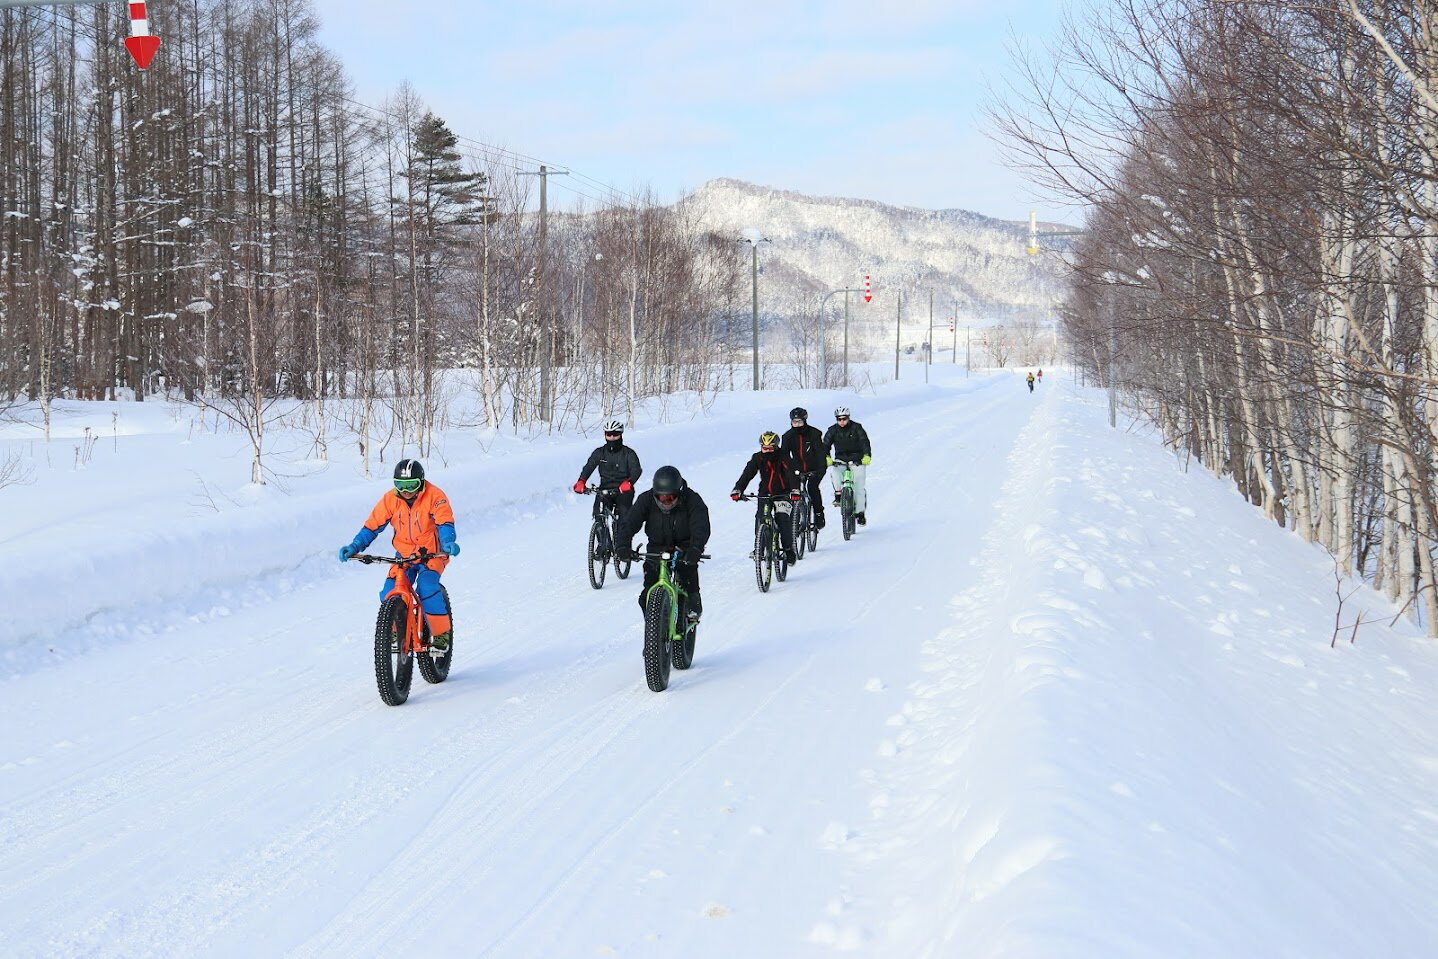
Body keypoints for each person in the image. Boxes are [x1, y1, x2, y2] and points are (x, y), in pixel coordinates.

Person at [339, 459, 459, 650]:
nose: (407, 491)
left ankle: (441, 635)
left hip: (432, 554)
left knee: (427, 588)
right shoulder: (390, 499)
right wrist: (355, 546)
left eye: (412, 485)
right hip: (404, 555)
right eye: (401, 486)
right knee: (389, 592)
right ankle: (396, 630)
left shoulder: (435, 495)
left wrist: (448, 542)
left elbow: (444, 522)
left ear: (421, 482)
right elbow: (372, 526)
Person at [615, 465, 711, 623]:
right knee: (646, 596)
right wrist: (622, 546)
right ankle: (656, 633)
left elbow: (701, 525)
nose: (666, 502)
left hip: (685, 547)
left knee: (688, 575)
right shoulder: (645, 500)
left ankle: (693, 604)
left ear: (679, 492)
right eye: (661, 498)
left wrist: (696, 548)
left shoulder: (692, 499)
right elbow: (629, 523)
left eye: (671, 498)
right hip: (657, 548)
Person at [731, 431, 800, 566]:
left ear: (776, 447)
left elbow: (791, 474)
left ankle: (788, 549)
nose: (767, 451)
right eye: (764, 448)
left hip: (783, 493)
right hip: (764, 493)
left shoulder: (783, 456)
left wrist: (794, 490)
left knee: (782, 518)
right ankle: (760, 548)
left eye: (770, 448)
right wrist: (738, 489)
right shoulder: (757, 458)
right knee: (760, 517)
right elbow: (747, 474)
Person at [573, 418, 642, 527]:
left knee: (624, 519)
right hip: (605, 489)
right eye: (609, 434)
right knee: (598, 514)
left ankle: (622, 543)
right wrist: (581, 481)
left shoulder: (628, 453)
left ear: (620, 434)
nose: (612, 438)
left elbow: (636, 470)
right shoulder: (599, 453)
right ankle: (602, 542)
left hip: (623, 490)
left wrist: (629, 482)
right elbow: (589, 467)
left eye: (615, 434)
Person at [780, 406, 827, 530]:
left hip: (814, 468)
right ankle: (792, 517)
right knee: (792, 491)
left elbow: (820, 453)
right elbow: (784, 455)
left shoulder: (814, 434)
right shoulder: (787, 436)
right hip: (796, 469)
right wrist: (788, 468)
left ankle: (819, 514)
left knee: (812, 488)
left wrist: (821, 469)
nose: (797, 424)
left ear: (804, 421)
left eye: (799, 422)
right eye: (794, 422)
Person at [824, 406, 872, 526]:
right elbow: (825, 445)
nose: (842, 421)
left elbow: (864, 441)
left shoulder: (857, 428)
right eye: (839, 419)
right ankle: (839, 494)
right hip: (840, 459)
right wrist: (827, 457)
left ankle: (860, 513)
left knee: (859, 488)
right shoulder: (832, 430)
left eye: (844, 419)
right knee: (835, 473)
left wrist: (866, 455)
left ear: (848, 418)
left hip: (857, 460)